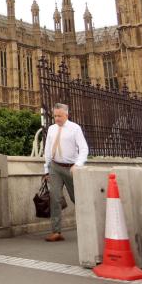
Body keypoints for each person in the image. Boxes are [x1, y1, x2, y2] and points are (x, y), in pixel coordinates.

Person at [42, 103, 89, 242]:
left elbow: (84, 149)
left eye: (59, 116)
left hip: (71, 168)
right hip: (55, 167)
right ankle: (56, 232)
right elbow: (47, 150)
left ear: (66, 115)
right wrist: (46, 169)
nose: (56, 118)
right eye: (55, 115)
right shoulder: (51, 129)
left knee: (77, 199)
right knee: (55, 198)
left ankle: (87, 227)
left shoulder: (75, 128)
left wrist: (78, 164)